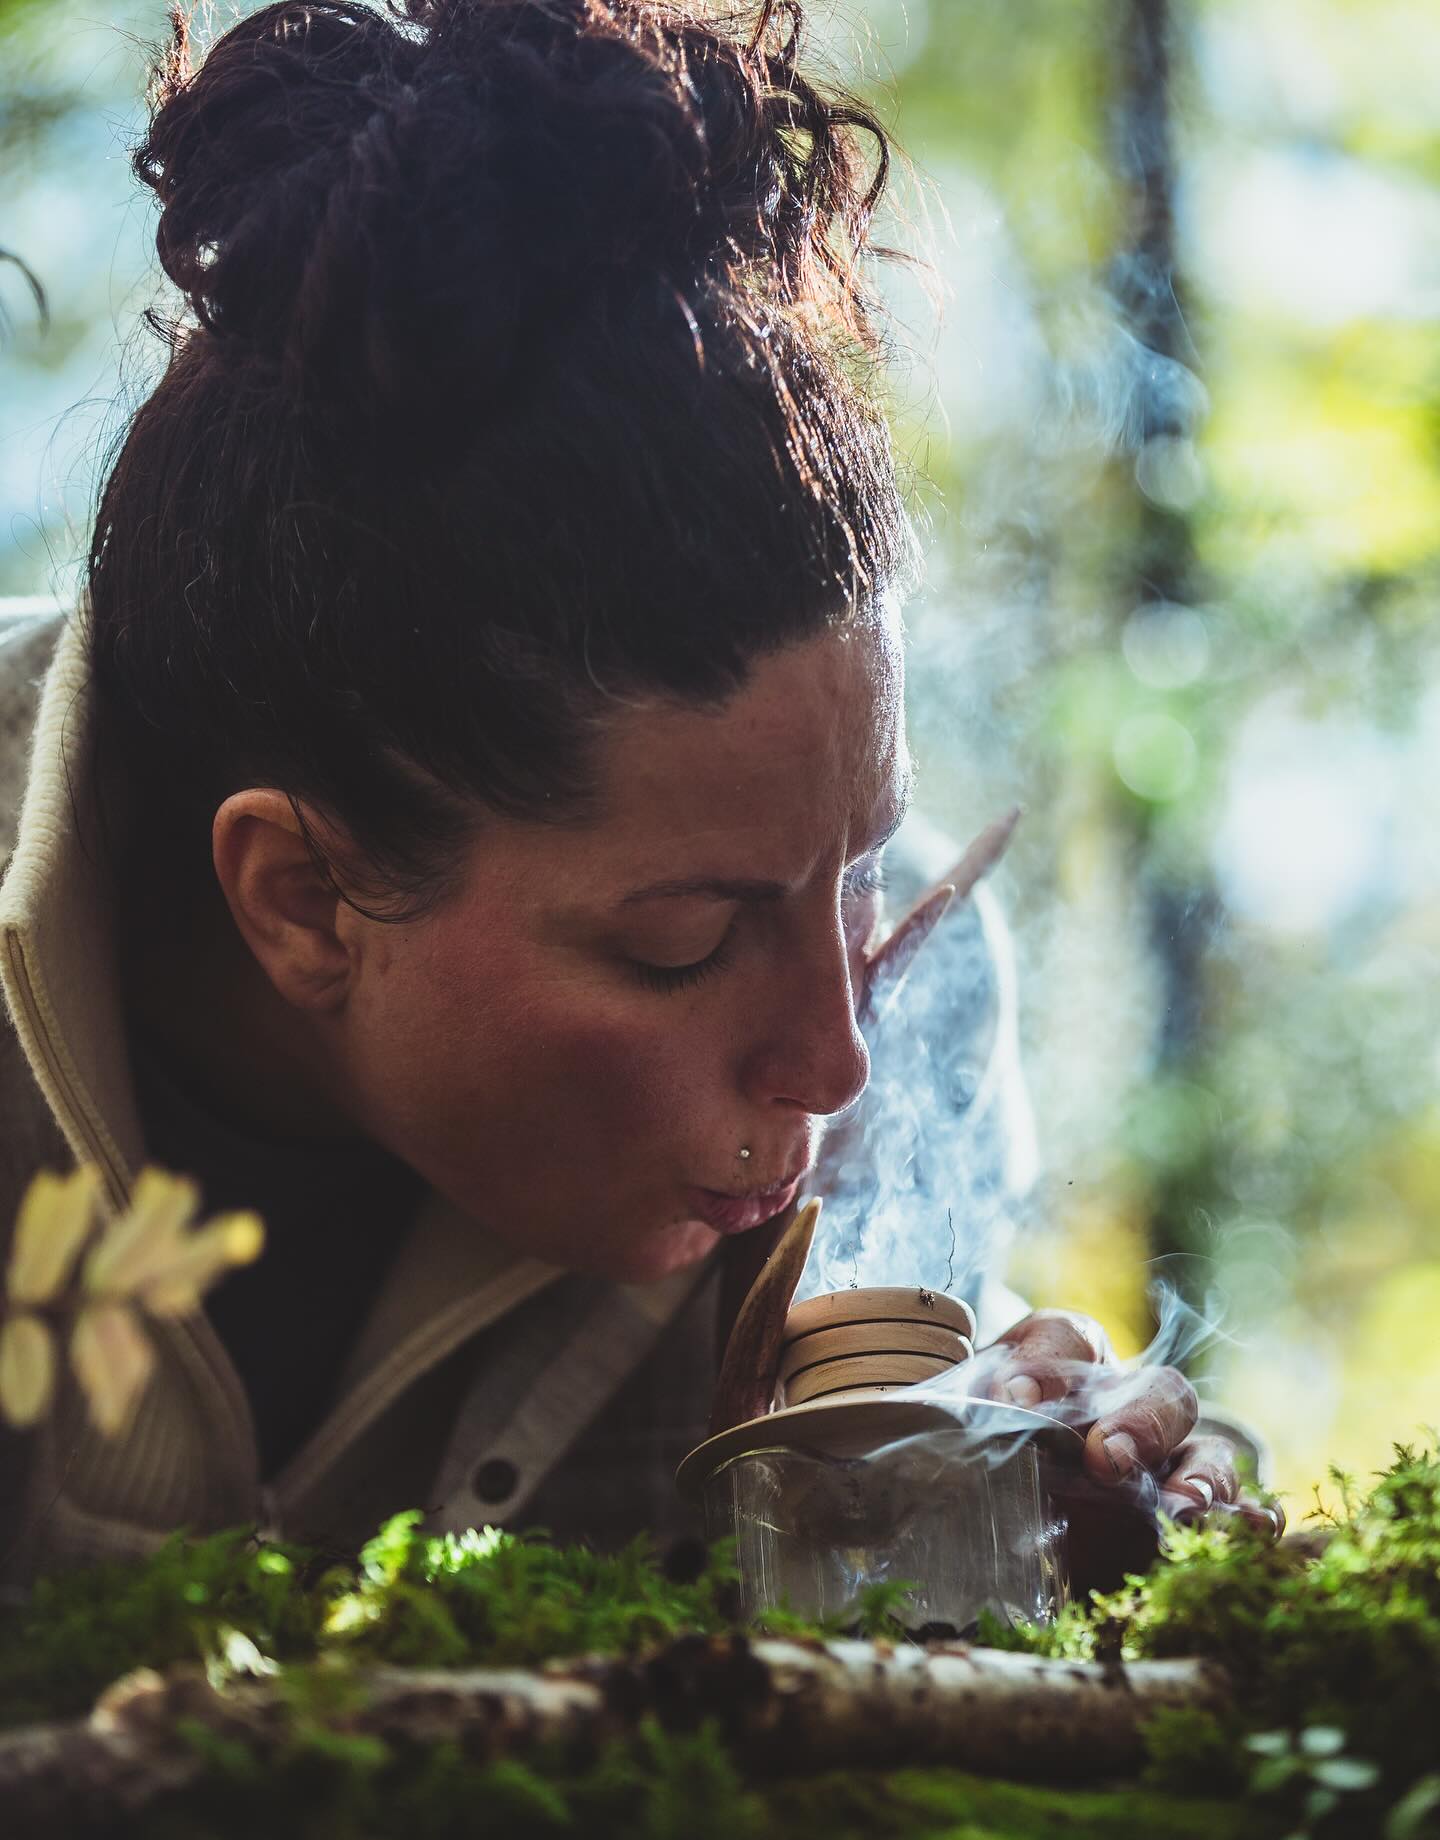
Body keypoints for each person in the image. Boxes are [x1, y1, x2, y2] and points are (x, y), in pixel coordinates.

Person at [0, 0, 1274, 1580]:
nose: (837, 1057)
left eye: (859, 867)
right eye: (682, 944)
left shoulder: (909, 1009)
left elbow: (891, 1609)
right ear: (305, 899)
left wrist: (1061, 1487)